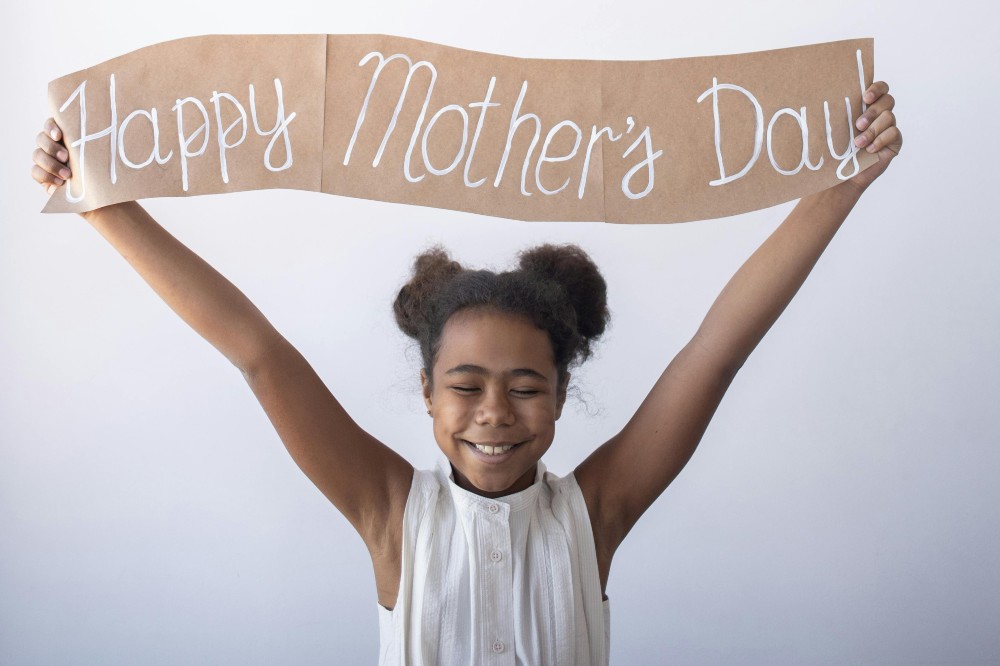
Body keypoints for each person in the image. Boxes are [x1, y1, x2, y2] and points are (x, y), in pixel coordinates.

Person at [30, 81, 901, 665]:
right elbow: (260, 353)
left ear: (561, 397)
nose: (495, 413)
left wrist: (843, 183)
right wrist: (99, 203)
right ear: (426, 393)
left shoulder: (592, 514)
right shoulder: (391, 513)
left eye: (526, 387)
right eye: (466, 385)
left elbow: (717, 349)